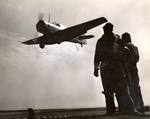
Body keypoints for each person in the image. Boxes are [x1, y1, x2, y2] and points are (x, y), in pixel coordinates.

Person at [94, 23, 137, 115]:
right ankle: (110, 111)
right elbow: (97, 56)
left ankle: (127, 109)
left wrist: (125, 63)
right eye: (106, 29)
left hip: (116, 66)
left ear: (111, 29)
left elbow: (125, 51)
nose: (107, 30)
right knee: (107, 90)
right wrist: (95, 68)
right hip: (105, 66)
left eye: (108, 28)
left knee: (122, 88)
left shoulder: (117, 39)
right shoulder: (101, 41)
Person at [122, 32, 144, 113]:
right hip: (134, 69)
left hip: (129, 70)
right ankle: (140, 107)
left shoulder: (126, 47)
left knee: (131, 88)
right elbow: (137, 59)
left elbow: (125, 58)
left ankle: (134, 108)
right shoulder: (135, 47)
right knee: (137, 87)